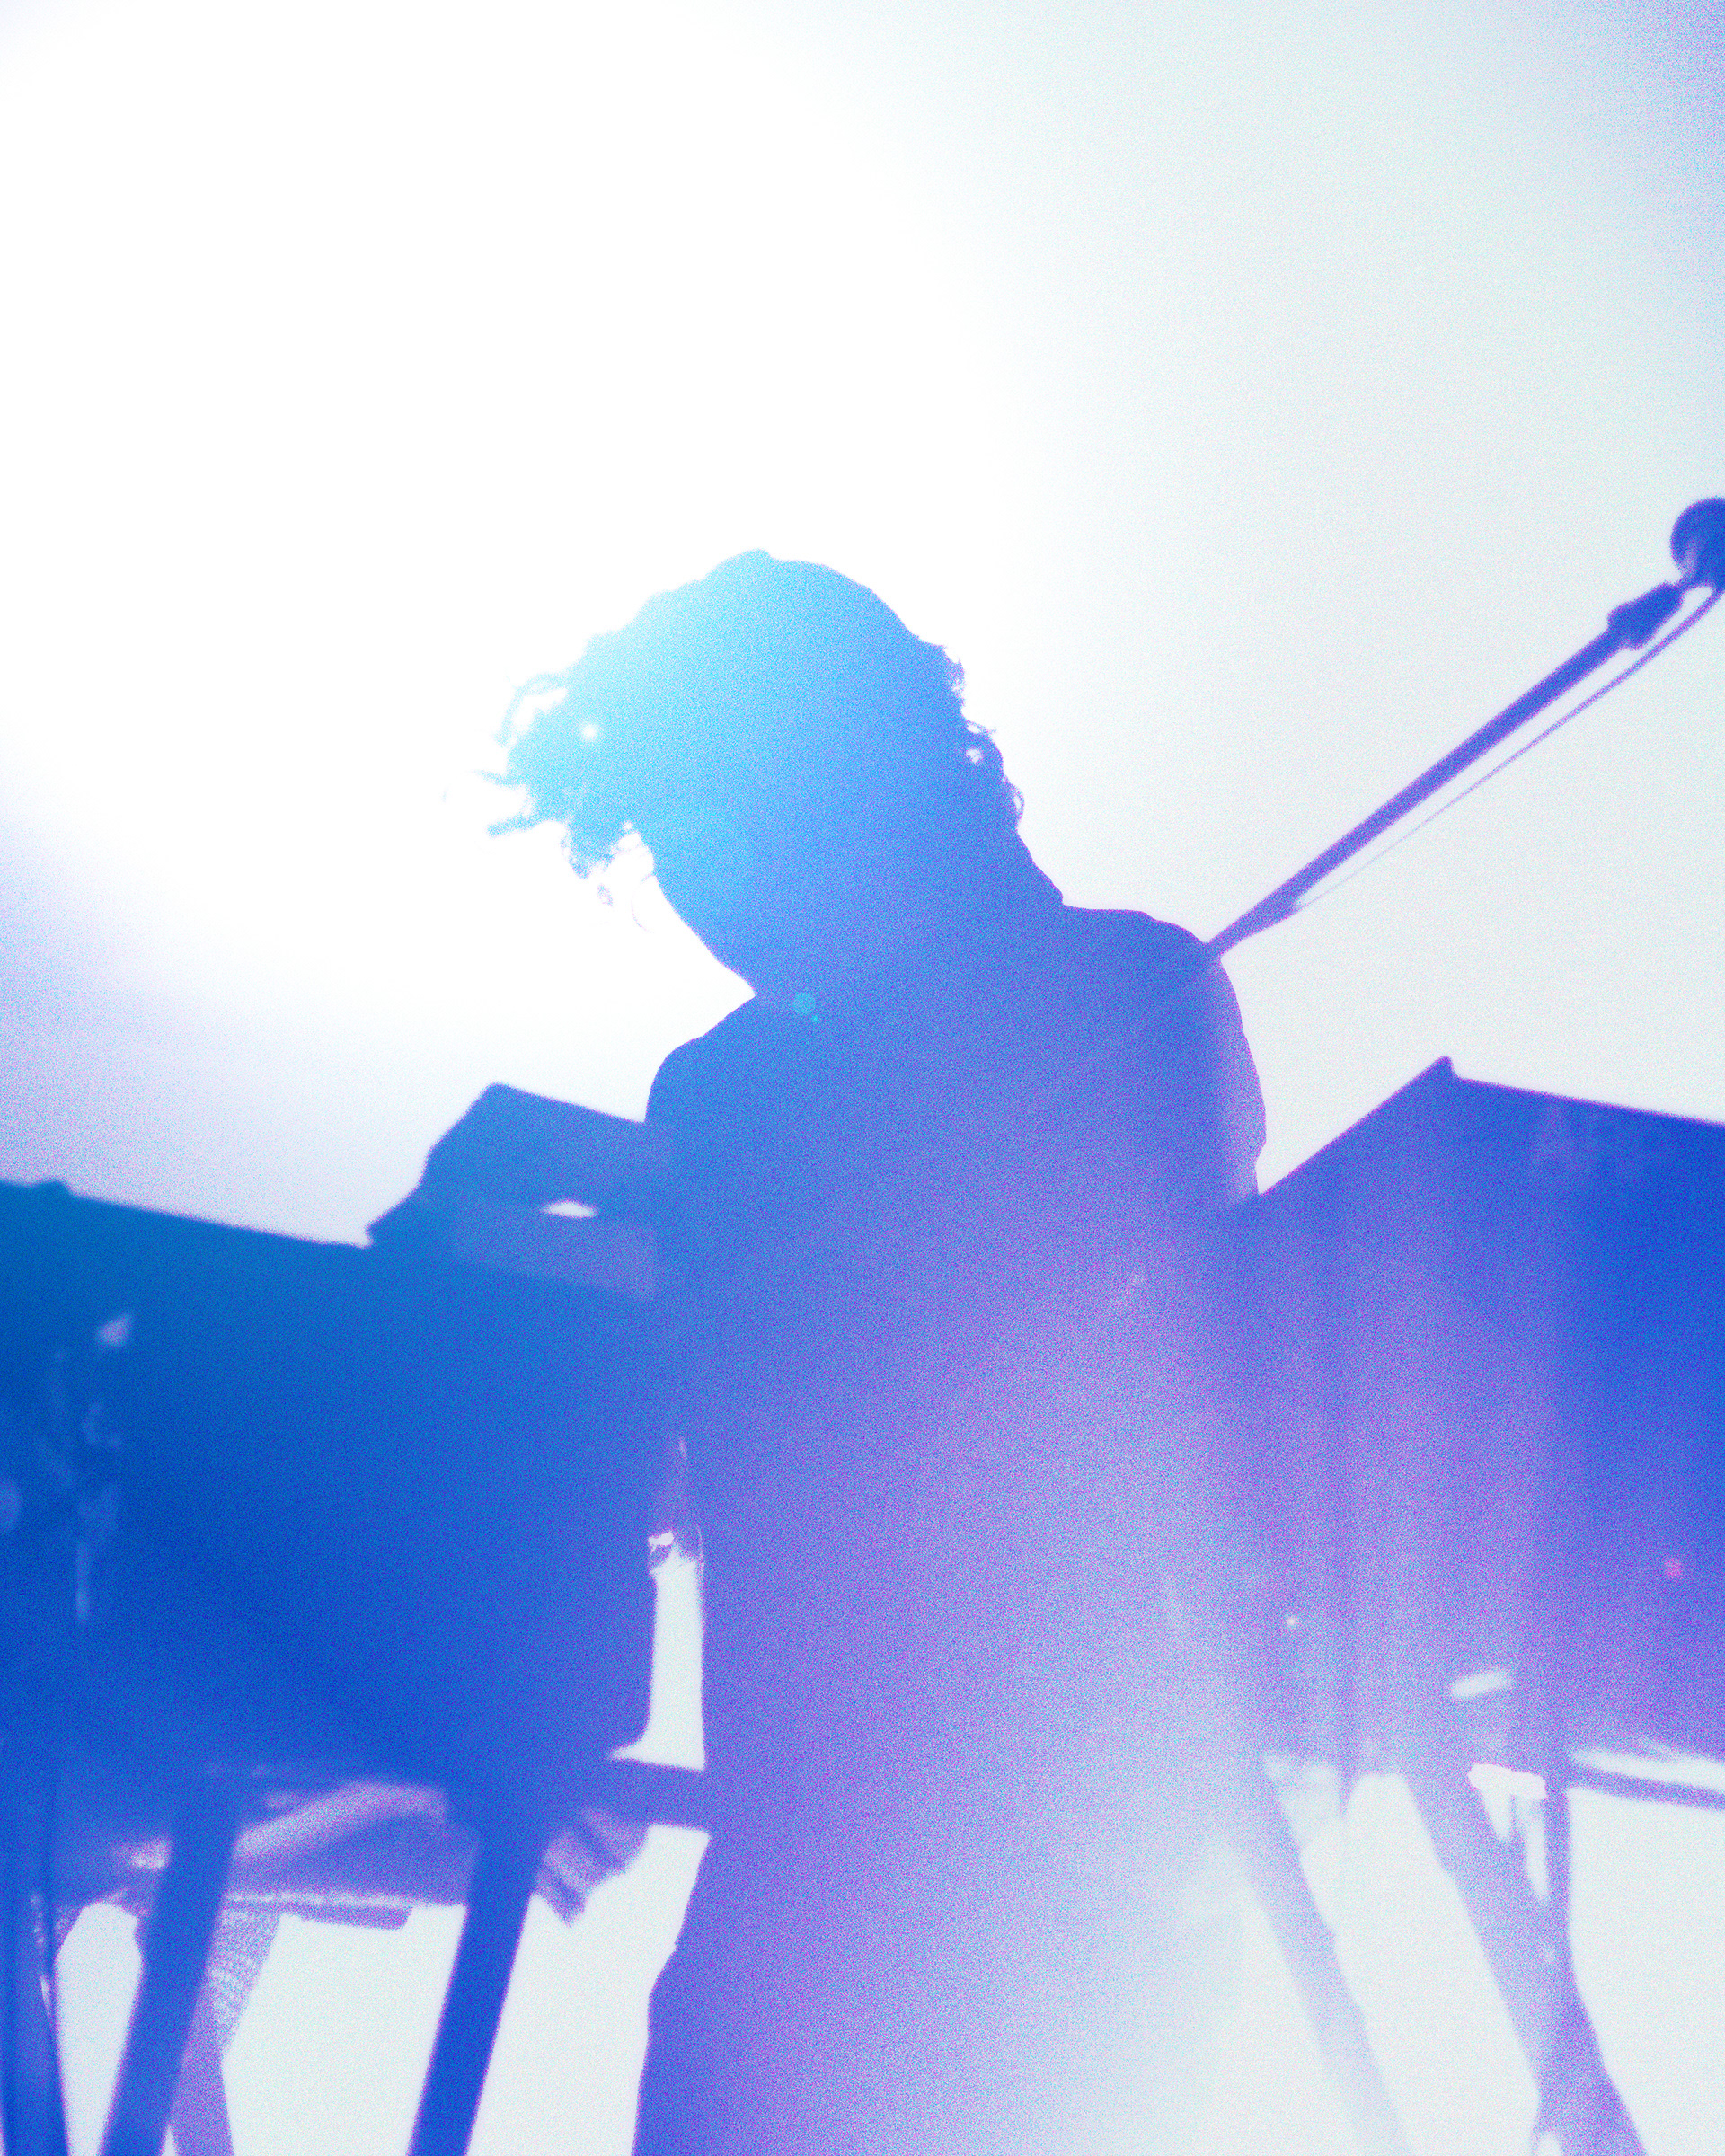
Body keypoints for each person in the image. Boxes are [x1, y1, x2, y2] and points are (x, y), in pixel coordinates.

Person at [430, 552, 1265, 2154]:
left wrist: (675, 1221)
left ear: (832, 777)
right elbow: (690, 1441)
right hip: (795, 1883)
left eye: (707, 832)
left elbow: (1120, 1371)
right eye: (665, 851)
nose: (698, 903)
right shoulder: (724, 1088)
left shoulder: (1121, 989)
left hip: (1074, 1871)